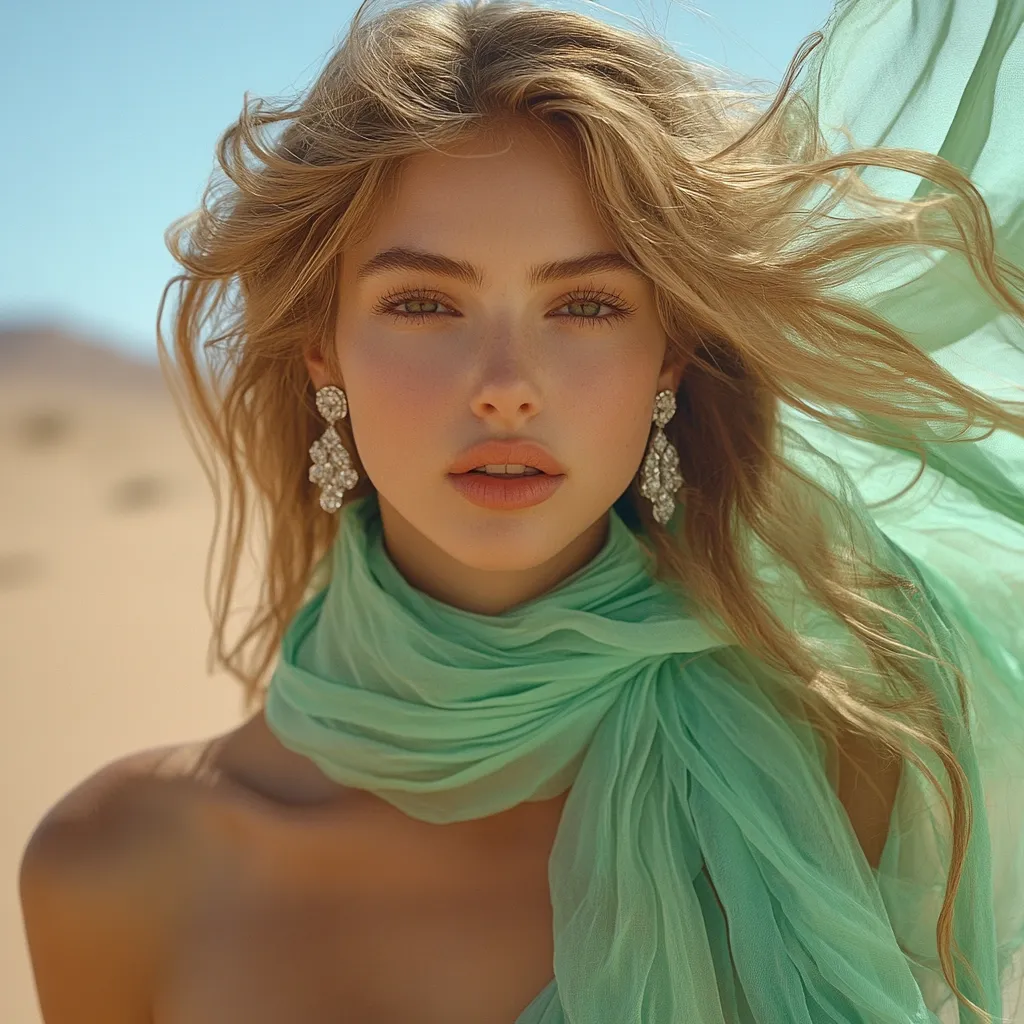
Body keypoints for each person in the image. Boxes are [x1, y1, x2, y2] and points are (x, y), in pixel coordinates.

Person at [18, 0, 1024, 1020]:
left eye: (584, 305)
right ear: (323, 348)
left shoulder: (854, 760)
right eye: (423, 303)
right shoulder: (112, 867)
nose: (506, 386)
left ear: (666, 355)